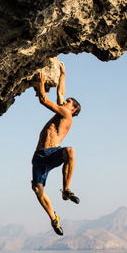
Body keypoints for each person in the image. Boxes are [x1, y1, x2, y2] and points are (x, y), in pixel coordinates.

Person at [31, 62, 81, 236]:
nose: (64, 101)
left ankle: (66, 189)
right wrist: (63, 74)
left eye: (68, 102)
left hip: (52, 153)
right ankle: (54, 218)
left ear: (72, 109)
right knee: (37, 190)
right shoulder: (62, 112)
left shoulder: (66, 115)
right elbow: (60, 93)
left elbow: (44, 100)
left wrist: (41, 83)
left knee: (70, 151)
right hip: (39, 156)